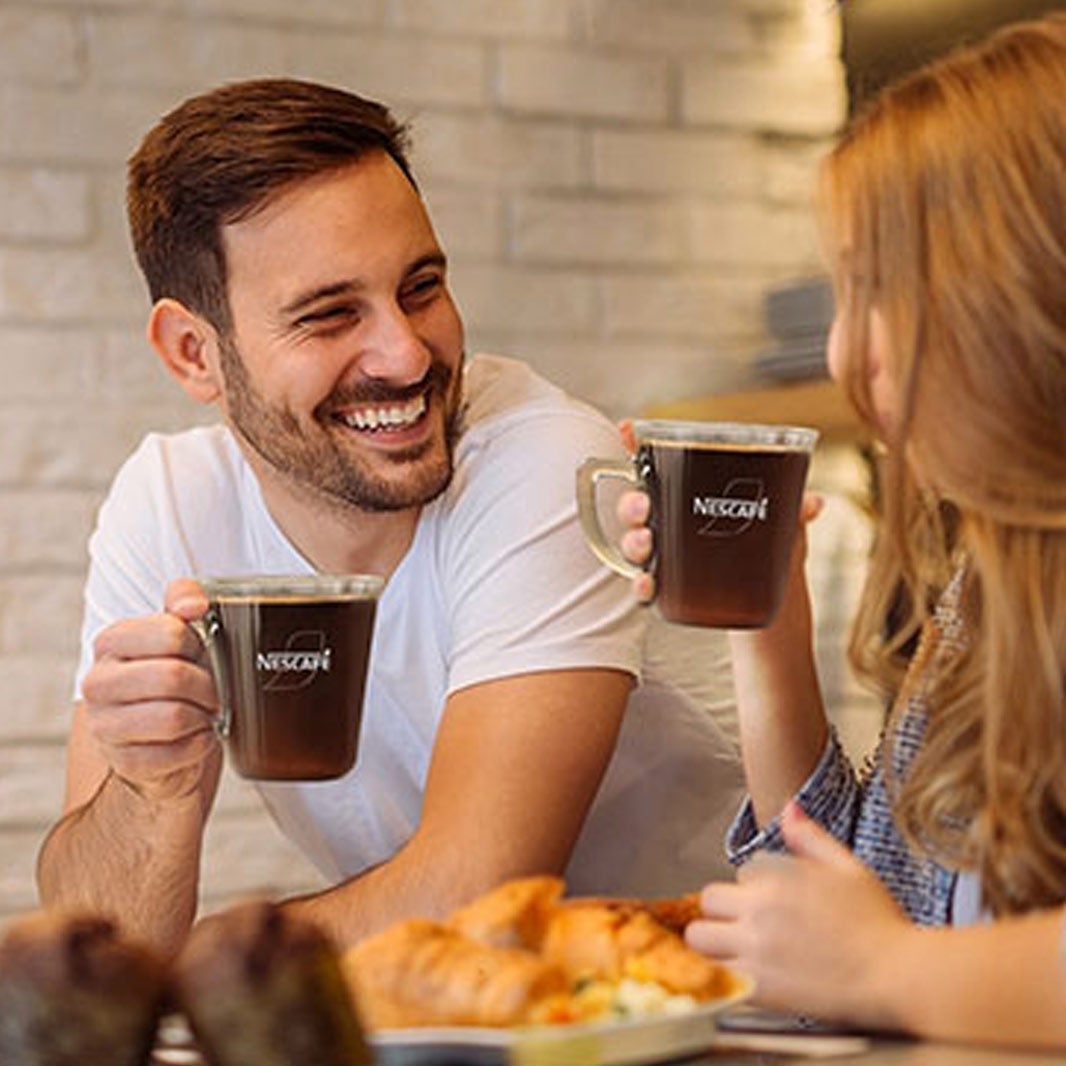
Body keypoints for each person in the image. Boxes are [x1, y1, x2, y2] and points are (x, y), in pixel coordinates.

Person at [36, 78, 743, 957]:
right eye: (330, 315)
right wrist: (153, 793)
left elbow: (477, 889)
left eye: (421, 287)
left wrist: (211, 961)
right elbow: (99, 947)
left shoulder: (544, 462)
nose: (406, 353)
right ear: (194, 353)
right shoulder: (170, 504)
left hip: (720, 1013)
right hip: (449, 1021)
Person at [618, 13, 1066, 1049]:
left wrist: (884, 965)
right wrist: (764, 621)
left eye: (876, 287)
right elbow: (873, 898)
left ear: (1018, 299)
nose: (838, 346)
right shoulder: (983, 588)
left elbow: (888, 955)